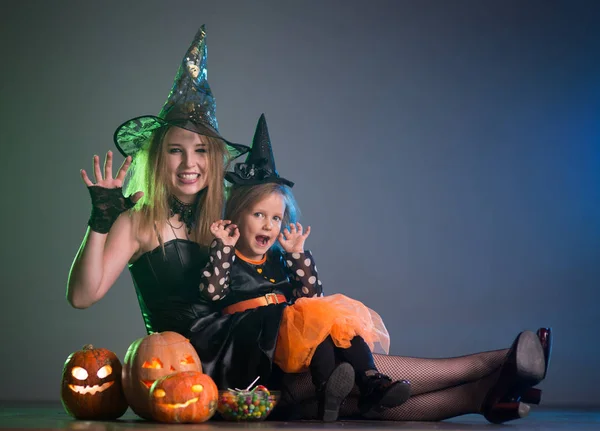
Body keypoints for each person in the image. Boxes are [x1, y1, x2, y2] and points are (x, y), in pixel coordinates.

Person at [187, 114, 411, 421]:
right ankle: (337, 386)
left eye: (276, 218)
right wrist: (223, 248)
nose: (269, 225)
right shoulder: (229, 255)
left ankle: (364, 380)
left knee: (331, 322)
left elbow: (312, 295)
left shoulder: (279, 259)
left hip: (288, 332)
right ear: (238, 215)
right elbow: (212, 293)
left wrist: (296, 255)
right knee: (313, 320)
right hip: (253, 340)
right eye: (259, 215)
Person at [67, 25, 249, 337]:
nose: (189, 163)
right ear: (157, 159)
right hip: (172, 371)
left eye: (201, 151)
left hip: (236, 372)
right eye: (176, 150)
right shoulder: (138, 222)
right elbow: (82, 297)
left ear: (215, 160)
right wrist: (99, 225)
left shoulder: (225, 220)